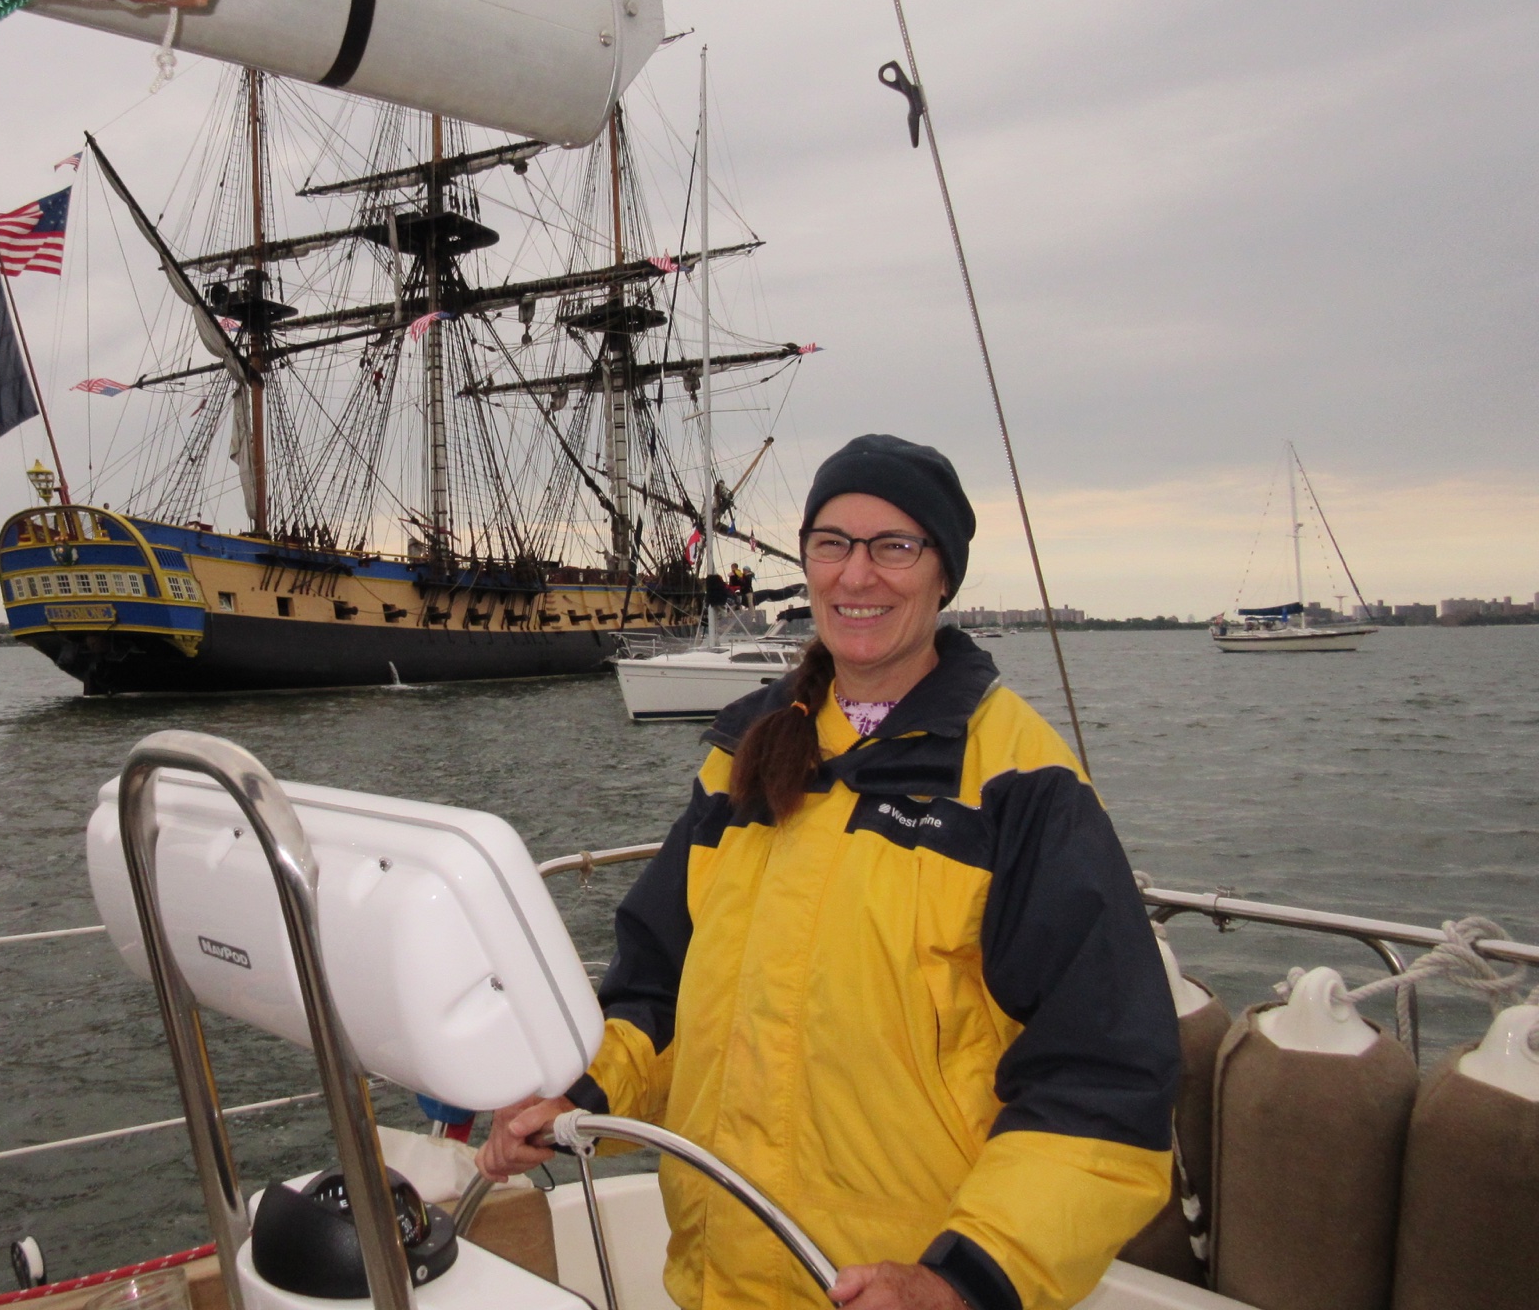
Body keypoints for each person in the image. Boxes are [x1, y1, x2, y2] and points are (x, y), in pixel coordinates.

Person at [480, 435, 1177, 1310]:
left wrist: (965, 1280)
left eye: (894, 546)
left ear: (943, 576)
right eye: (831, 544)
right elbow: (656, 992)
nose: (857, 576)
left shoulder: (1017, 785)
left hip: (903, 1284)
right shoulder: (745, 757)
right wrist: (577, 1093)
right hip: (715, 1277)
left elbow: (1104, 1079)